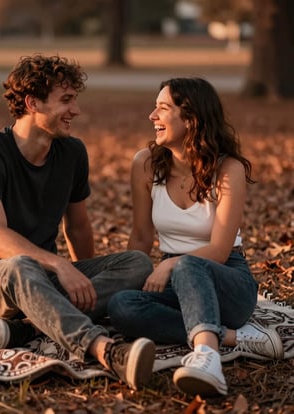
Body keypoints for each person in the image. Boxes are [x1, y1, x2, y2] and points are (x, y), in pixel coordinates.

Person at [0, 54, 156, 390]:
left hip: (42, 279)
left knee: (137, 264)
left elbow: (77, 227)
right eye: (66, 100)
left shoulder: (72, 153)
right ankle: (105, 350)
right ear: (32, 103)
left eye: (75, 99)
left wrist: (82, 276)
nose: (76, 110)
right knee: (20, 266)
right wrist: (61, 266)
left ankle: (28, 328)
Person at [107, 77, 284, 397]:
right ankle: (232, 338)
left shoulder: (227, 169)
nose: (152, 116)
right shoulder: (145, 165)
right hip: (175, 281)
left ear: (191, 119)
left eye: (162, 108)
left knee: (186, 265)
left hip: (228, 279)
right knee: (122, 306)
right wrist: (131, 277)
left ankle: (208, 359)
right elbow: (141, 236)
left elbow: (218, 249)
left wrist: (172, 265)